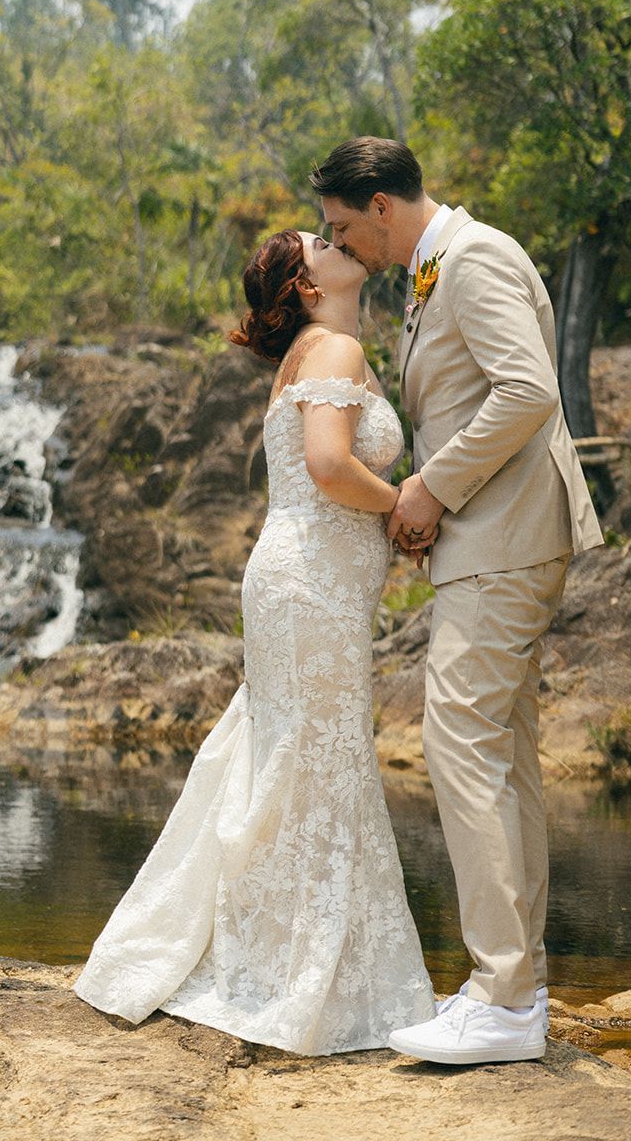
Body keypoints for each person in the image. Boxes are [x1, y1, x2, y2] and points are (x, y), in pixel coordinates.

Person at [73, 227, 436, 1055]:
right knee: (314, 754)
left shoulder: (320, 348)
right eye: (324, 240)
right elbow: (328, 467)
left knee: (294, 755)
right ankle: (296, 971)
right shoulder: (334, 349)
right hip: (309, 581)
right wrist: (407, 504)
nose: (340, 237)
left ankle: (273, 956)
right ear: (308, 284)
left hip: (305, 579)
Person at [311, 137, 604, 1066]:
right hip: (500, 537)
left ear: (383, 207)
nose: (341, 242)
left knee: (459, 741)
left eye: (343, 226)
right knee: (504, 752)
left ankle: (505, 995)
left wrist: (431, 487)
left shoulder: (472, 259)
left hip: (506, 534)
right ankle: (515, 990)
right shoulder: (437, 267)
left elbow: (527, 390)